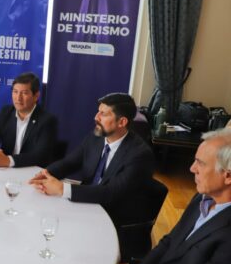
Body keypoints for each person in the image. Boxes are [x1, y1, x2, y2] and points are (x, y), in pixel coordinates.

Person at [92, 128, 231, 264]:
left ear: (227, 176)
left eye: (200, 163)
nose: (192, 168)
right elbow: (169, 241)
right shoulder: (201, 199)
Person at [30, 93, 155, 226]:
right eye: (98, 111)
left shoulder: (140, 155)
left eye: (103, 114)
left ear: (122, 122)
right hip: (85, 204)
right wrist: (46, 174)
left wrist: (62, 188)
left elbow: (110, 193)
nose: (96, 117)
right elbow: (70, 162)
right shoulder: (96, 137)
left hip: (113, 218)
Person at [0, 72, 57, 168]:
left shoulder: (47, 120)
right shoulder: (6, 112)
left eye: (24, 93)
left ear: (36, 96)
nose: (18, 98)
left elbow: (40, 155)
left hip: (30, 170)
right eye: (15, 92)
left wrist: (9, 161)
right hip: (4, 169)